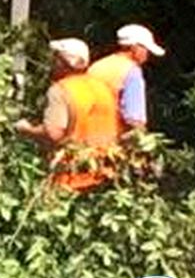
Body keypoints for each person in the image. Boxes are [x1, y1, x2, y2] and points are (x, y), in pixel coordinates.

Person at [15, 38, 120, 192]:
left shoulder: (61, 90)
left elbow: (53, 134)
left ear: (63, 62)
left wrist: (25, 129)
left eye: (55, 57)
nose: (52, 62)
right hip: (104, 172)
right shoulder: (103, 88)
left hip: (71, 176)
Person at [88, 23, 165, 135]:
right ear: (135, 47)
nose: (147, 55)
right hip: (111, 141)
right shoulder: (131, 72)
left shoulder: (96, 66)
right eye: (145, 49)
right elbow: (134, 120)